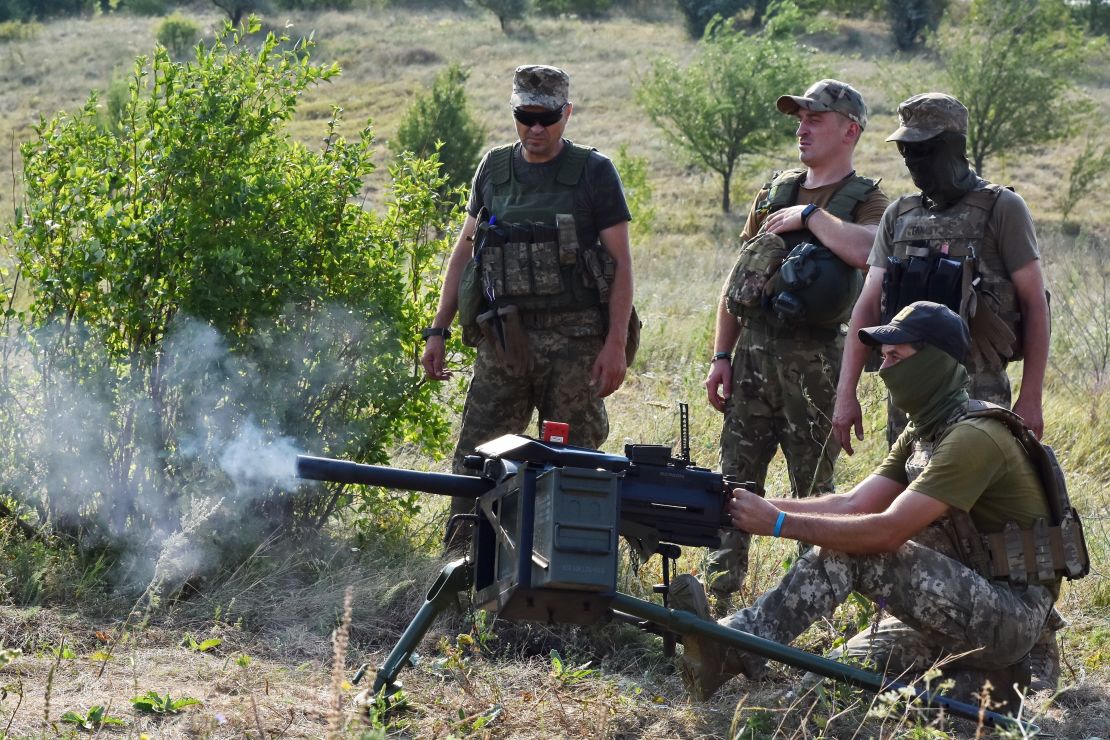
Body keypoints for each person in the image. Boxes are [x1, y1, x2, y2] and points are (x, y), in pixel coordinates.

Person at [677, 302, 1075, 708]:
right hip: (963, 604)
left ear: (934, 363)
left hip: (1011, 618)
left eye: (895, 357)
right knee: (833, 683)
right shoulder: (926, 432)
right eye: (883, 357)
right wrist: (739, 504)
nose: (883, 369)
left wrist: (778, 523)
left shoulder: (974, 439)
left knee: (852, 551)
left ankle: (729, 646)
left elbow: (886, 532)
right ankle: (993, 682)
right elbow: (852, 503)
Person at [830, 92, 1057, 680]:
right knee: (910, 512)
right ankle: (914, 627)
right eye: (906, 151)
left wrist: (1029, 397)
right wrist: (847, 390)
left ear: (955, 147)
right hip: (906, 391)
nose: (914, 163)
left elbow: (1035, 304)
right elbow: (869, 305)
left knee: (988, 521)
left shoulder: (1001, 209)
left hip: (978, 397)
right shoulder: (899, 215)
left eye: (926, 151)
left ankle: (1025, 637)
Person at [420, 65, 634, 540]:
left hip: (576, 340)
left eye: (548, 117)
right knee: (480, 455)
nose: (536, 128)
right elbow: (464, 252)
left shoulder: (594, 172)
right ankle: (464, 563)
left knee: (574, 459)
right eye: (525, 115)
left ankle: (573, 564)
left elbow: (621, 265)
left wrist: (615, 344)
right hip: (504, 339)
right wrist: (438, 330)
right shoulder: (494, 169)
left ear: (567, 113)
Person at [703, 79, 889, 612]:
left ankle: (804, 608)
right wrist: (721, 355)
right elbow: (738, 280)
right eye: (799, 118)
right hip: (753, 354)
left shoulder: (867, 200)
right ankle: (718, 601)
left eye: (816, 119)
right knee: (733, 478)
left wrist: (811, 218)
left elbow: (871, 251)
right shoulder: (776, 190)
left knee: (813, 487)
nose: (802, 128)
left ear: (850, 130)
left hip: (817, 362)